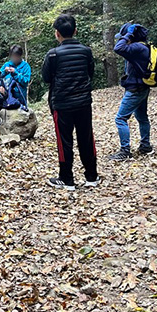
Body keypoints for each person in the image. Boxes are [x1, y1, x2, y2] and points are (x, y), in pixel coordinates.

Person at [41, 14, 99, 190]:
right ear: (75, 31)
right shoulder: (86, 51)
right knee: (86, 138)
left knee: (64, 141)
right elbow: (90, 73)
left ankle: (67, 179)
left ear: (57, 33)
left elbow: (46, 78)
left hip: (62, 104)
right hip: (83, 102)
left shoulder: (52, 54)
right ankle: (91, 176)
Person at [110, 22, 153, 160]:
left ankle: (125, 151)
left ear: (131, 37)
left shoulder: (137, 47)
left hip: (135, 89)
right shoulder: (143, 46)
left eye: (123, 37)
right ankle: (145, 146)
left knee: (120, 118)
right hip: (142, 87)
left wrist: (128, 34)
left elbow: (118, 48)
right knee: (142, 117)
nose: (121, 39)